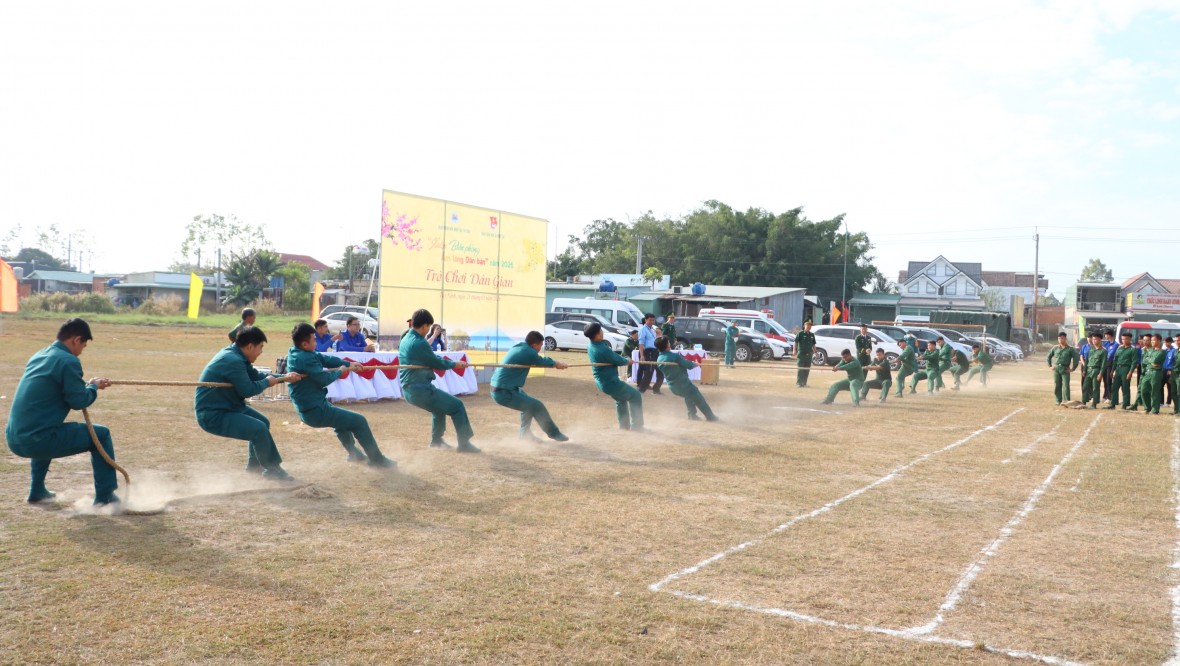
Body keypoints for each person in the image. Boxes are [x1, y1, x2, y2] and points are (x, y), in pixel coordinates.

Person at [5, 319, 120, 505]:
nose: (81, 351)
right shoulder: (69, 361)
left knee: (44, 428)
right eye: (83, 345)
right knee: (102, 435)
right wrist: (93, 387)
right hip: (36, 442)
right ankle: (106, 497)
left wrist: (87, 385)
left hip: (14, 439)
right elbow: (78, 401)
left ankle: (37, 490)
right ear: (76, 339)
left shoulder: (40, 355)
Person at [195, 327, 303, 480]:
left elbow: (256, 376)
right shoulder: (232, 360)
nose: (261, 352)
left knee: (262, 422)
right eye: (260, 347)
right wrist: (267, 382)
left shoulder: (237, 356)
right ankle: (272, 470)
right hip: (213, 414)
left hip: (229, 406)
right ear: (250, 346)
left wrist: (284, 377)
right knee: (258, 429)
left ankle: (254, 468)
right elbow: (248, 390)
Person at [286, 323, 396, 467]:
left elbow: (324, 358)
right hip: (315, 410)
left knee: (342, 422)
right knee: (359, 421)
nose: (316, 342)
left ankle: (354, 454)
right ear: (305, 344)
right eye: (314, 340)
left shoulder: (296, 351)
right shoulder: (304, 358)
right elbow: (323, 379)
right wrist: (341, 371)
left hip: (312, 406)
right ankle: (377, 460)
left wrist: (349, 364)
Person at [399, 309, 477, 452]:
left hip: (409, 389)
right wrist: (454, 364)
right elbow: (436, 362)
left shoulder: (405, 338)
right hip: (420, 389)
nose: (428, 330)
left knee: (439, 408)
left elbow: (430, 358)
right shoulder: (419, 343)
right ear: (424, 326)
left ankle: (436, 441)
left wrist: (451, 362)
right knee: (457, 406)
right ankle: (464, 444)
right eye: (429, 327)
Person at [491, 331, 570, 441]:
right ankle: (554, 434)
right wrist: (557, 364)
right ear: (534, 345)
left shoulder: (520, 347)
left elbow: (538, 360)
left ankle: (525, 435)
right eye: (540, 345)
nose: (540, 348)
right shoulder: (528, 352)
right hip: (503, 392)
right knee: (537, 405)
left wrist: (555, 363)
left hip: (503, 388)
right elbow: (541, 361)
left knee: (528, 406)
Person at [585, 322, 644, 431]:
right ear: (597, 334)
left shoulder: (590, 345)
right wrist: (628, 361)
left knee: (620, 399)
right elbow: (618, 360)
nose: (602, 332)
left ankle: (624, 426)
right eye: (601, 330)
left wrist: (624, 360)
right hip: (610, 382)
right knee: (635, 396)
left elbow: (613, 357)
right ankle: (637, 426)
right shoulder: (602, 349)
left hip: (602, 382)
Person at [656, 336, 718, 421]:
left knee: (689, 396)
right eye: (668, 342)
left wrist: (690, 364)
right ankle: (711, 417)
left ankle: (692, 415)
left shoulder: (659, 359)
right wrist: (694, 364)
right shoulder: (674, 356)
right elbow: (687, 364)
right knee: (699, 398)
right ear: (667, 345)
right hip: (684, 385)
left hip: (673, 387)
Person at [1047, 332, 1079, 405]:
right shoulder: (1055, 348)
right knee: (1057, 385)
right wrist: (1050, 365)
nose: (1060, 340)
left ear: (1065, 339)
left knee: (1066, 386)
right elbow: (1049, 356)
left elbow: (1076, 358)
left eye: (1062, 338)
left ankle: (1066, 401)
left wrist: (1073, 368)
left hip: (1065, 369)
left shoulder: (1070, 349)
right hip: (1056, 368)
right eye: (1059, 338)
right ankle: (1058, 400)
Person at [1108, 332, 1137, 410]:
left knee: (1125, 387)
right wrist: (1112, 370)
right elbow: (1115, 360)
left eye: (1126, 339)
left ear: (1130, 339)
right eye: (1123, 339)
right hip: (1118, 369)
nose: (1124, 340)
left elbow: (1134, 362)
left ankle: (1125, 404)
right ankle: (1113, 404)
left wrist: (1130, 372)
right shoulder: (1119, 348)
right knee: (1114, 387)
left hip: (1126, 369)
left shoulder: (1133, 349)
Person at [637, 314, 664, 394]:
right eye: (650, 320)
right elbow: (641, 343)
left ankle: (656, 389)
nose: (651, 322)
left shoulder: (653, 329)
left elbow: (657, 340)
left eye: (653, 320)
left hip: (656, 351)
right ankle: (640, 391)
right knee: (649, 372)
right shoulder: (643, 329)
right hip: (649, 352)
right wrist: (642, 355)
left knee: (660, 371)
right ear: (646, 320)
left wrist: (659, 335)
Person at [1081, 332, 1107, 409]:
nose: (1093, 341)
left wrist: (1101, 373)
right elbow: (1087, 361)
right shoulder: (1091, 349)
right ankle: (1084, 402)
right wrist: (1084, 370)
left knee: (1095, 387)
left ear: (1100, 340)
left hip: (1096, 370)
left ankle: (1094, 404)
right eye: (1093, 339)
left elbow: (1103, 364)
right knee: (1085, 386)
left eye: (1095, 339)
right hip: (1089, 370)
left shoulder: (1103, 351)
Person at [795, 320, 816, 388]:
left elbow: (813, 344)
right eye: (807, 325)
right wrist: (794, 350)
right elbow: (796, 342)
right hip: (801, 354)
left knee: (807, 369)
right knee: (800, 369)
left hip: (809, 355)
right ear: (804, 326)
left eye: (810, 325)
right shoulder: (800, 333)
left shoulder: (812, 335)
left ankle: (804, 383)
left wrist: (815, 352)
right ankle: (799, 383)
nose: (809, 326)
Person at [1101, 329, 1117, 401]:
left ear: (1111, 335)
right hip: (1105, 363)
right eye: (1105, 335)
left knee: (1108, 381)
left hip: (1111, 363)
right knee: (1105, 380)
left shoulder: (1116, 344)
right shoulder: (1105, 344)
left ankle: (1110, 397)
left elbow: (1111, 354)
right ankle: (1105, 395)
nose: (1105, 336)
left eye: (1107, 335)